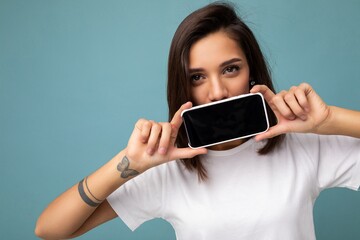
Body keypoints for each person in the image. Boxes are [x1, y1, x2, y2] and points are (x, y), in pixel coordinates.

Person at [35, 2, 360, 240]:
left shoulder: (301, 146)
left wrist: (330, 119)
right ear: (182, 86)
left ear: (252, 72)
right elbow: (49, 229)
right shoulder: (166, 168)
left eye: (230, 68)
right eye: (197, 77)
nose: (217, 92)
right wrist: (128, 163)